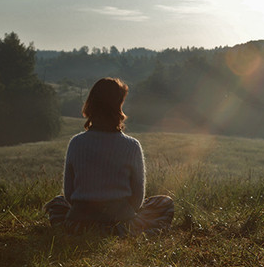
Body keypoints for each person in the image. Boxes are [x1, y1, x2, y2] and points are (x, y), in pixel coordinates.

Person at [44, 77, 174, 236]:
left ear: (91, 104)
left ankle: (88, 229)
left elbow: (69, 194)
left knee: (57, 202)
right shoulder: (131, 146)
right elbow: (137, 200)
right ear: (118, 106)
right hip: (120, 224)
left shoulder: (76, 143)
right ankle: (115, 230)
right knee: (164, 203)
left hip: (79, 223)